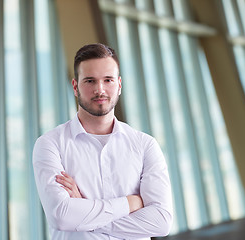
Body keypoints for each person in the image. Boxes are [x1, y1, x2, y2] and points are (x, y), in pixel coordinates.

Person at [32, 43, 173, 240]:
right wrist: (130, 203)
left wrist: (85, 216)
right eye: (90, 81)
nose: (100, 90)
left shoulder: (145, 145)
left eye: (108, 80)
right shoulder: (50, 144)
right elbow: (62, 216)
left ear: (119, 85)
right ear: (75, 86)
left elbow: (161, 221)